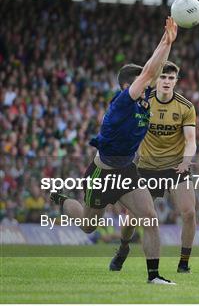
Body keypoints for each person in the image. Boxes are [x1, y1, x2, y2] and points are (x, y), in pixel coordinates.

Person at [50, 17, 178, 285]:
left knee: (150, 218)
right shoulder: (122, 102)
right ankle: (62, 199)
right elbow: (147, 74)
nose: (151, 87)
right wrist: (165, 41)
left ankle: (153, 276)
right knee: (88, 225)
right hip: (102, 172)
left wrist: (167, 43)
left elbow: (150, 73)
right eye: (146, 84)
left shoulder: (143, 104)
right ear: (127, 86)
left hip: (127, 170)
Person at [109, 61, 197, 274]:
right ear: (156, 79)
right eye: (163, 77)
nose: (166, 81)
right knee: (132, 217)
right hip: (146, 166)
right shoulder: (142, 101)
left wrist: (186, 160)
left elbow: (191, 139)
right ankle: (123, 248)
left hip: (175, 167)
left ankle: (184, 262)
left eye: (171, 78)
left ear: (176, 81)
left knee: (189, 213)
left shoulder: (185, 106)